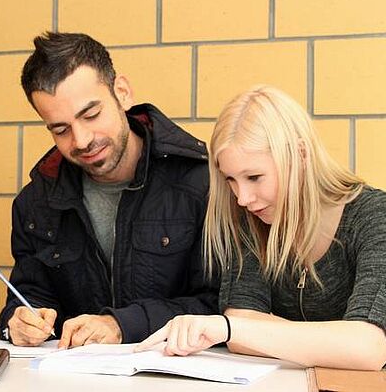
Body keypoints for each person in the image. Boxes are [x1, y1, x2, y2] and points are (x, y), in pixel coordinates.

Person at [136, 85, 386, 370]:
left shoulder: (375, 216)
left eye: (254, 177)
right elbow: (240, 328)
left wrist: (242, 328)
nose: (242, 198)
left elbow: (368, 348)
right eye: (231, 179)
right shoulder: (252, 218)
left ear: (300, 155)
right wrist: (332, 341)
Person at [0, 32, 218, 348]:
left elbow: (220, 305)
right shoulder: (35, 203)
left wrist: (122, 325)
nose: (82, 140)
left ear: (123, 93)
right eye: (60, 129)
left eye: (91, 115)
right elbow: (30, 294)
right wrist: (16, 321)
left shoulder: (201, 183)